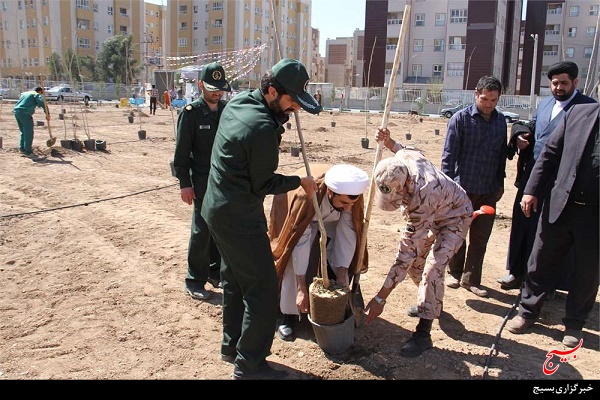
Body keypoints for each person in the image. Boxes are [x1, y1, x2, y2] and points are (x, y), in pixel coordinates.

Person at [200, 58, 321, 380]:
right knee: (264, 289)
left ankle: (232, 347)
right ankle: (249, 365)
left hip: (215, 208)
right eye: (292, 101)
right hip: (239, 217)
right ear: (271, 91)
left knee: (235, 282)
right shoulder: (263, 129)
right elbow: (263, 184)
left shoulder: (239, 101)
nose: (295, 108)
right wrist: (299, 182)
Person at [364, 129, 473, 357]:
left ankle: (423, 334)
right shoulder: (403, 160)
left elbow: (406, 252)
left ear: (404, 188)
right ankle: (432, 303)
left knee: (432, 269)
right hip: (437, 211)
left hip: (455, 217)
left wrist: (380, 297)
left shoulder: (422, 197)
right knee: (417, 266)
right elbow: (401, 149)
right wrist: (388, 141)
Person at [498, 61, 597, 290]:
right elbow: (532, 126)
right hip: (533, 178)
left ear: (575, 82)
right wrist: (521, 134)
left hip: (562, 183)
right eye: (554, 83)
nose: (559, 88)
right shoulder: (545, 104)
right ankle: (517, 272)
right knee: (524, 225)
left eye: (564, 83)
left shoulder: (588, 108)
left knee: (550, 235)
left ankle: (545, 284)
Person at [508, 102, 599, 348]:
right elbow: (549, 153)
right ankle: (527, 312)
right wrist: (531, 190)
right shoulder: (578, 113)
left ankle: (574, 324)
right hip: (561, 203)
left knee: (588, 271)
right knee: (541, 259)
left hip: (595, 215)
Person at [268, 163, 369, 342]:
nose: (348, 207)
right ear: (330, 192)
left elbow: (347, 236)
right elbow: (300, 243)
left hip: (330, 217)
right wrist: (301, 288)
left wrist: (342, 273)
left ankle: (329, 306)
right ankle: (288, 314)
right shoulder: (307, 197)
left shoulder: (351, 200)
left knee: (337, 256)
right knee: (292, 260)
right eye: (344, 202)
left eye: (351, 203)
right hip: (297, 213)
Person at [441, 76, 507, 298]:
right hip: (462, 190)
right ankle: (455, 272)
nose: (488, 103)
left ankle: (471, 280)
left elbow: (500, 157)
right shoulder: (460, 120)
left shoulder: (500, 122)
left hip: (488, 190)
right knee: (457, 234)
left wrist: (500, 183)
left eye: (493, 100)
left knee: (480, 238)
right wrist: (447, 189)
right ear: (476, 94)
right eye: (485, 98)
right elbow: (449, 157)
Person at [173, 62, 231, 301]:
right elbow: (181, 155)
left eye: (219, 88)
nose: (216, 93)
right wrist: (184, 184)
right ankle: (194, 280)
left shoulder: (228, 110)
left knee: (222, 229)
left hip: (225, 181)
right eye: (211, 88)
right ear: (200, 86)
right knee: (202, 230)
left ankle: (214, 272)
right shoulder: (191, 114)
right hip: (201, 182)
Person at [13, 86, 50, 158]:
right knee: (28, 133)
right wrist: (47, 114)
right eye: (41, 93)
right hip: (25, 113)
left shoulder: (25, 93)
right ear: (39, 91)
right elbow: (43, 103)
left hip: (17, 112)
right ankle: (28, 152)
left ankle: (22, 149)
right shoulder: (36, 94)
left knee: (23, 131)